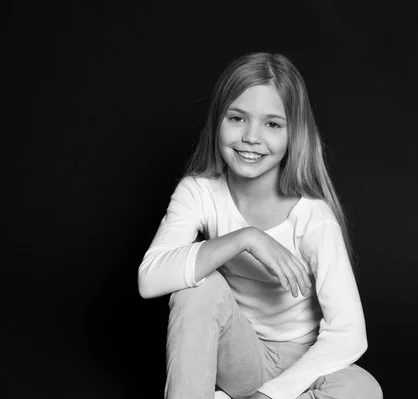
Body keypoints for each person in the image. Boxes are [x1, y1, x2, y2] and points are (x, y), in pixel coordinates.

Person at [138, 52, 383, 399]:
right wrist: (246, 238)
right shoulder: (199, 192)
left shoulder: (312, 216)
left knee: (363, 390)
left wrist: (271, 395)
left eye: (272, 124)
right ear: (217, 121)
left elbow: (349, 333)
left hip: (303, 363)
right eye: (237, 118)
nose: (251, 137)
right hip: (240, 357)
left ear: (293, 133)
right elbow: (150, 278)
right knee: (195, 288)